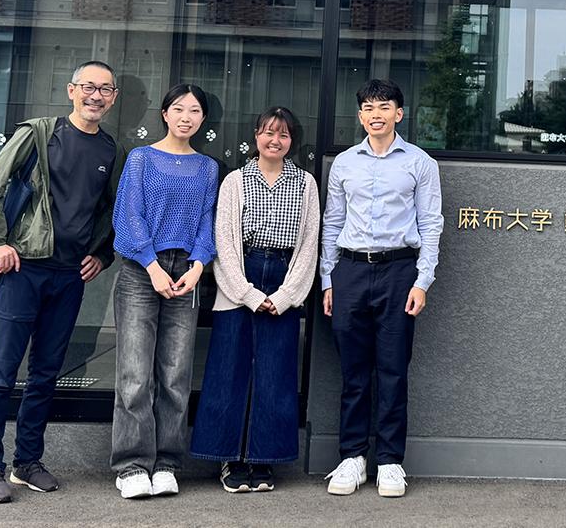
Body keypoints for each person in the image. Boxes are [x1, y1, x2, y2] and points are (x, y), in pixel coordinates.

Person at [0, 61, 124, 504]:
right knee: (2, 372)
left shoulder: (111, 151)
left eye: (105, 89)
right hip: (23, 269)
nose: (96, 95)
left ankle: (27, 461)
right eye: (88, 87)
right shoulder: (39, 132)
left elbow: (110, 212)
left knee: (46, 374)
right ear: (71, 90)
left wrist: (102, 253)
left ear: (113, 98)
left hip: (69, 275)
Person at [320, 78, 442, 499]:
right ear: (359, 115)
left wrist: (422, 281)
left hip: (398, 271)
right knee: (353, 373)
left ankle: (390, 461)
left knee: (392, 370)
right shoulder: (345, 163)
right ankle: (352, 457)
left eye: (384, 106)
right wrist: (327, 279)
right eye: (368, 107)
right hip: (349, 271)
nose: (376, 114)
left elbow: (431, 225)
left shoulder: (420, 162)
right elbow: (332, 223)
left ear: (399, 113)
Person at [189, 106, 319, 493]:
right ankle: (230, 458)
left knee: (276, 374)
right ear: (256, 136)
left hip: (283, 277)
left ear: (292, 141)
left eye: (282, 134)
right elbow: (224, 242)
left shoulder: (305, 183)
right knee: (229, 371)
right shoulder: (235, 180)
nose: (274, 140)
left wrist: (285, 296)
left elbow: (310, 243)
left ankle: (265, 459)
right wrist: (246, 293)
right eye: (267, 133)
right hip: (240, 278)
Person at [109, 83, 220, 499]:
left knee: (175, 375)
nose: (186, 117)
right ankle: (132, 465)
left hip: (186, 272)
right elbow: (128, 215)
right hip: (143, 270)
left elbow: (208, 220)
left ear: (203, 119)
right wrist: (152, 265)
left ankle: (168, 461)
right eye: (178, 109)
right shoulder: (141, 159)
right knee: (135, 373)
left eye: (194, 110)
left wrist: (198, 265)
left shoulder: (208, 168)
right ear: (165, 114)